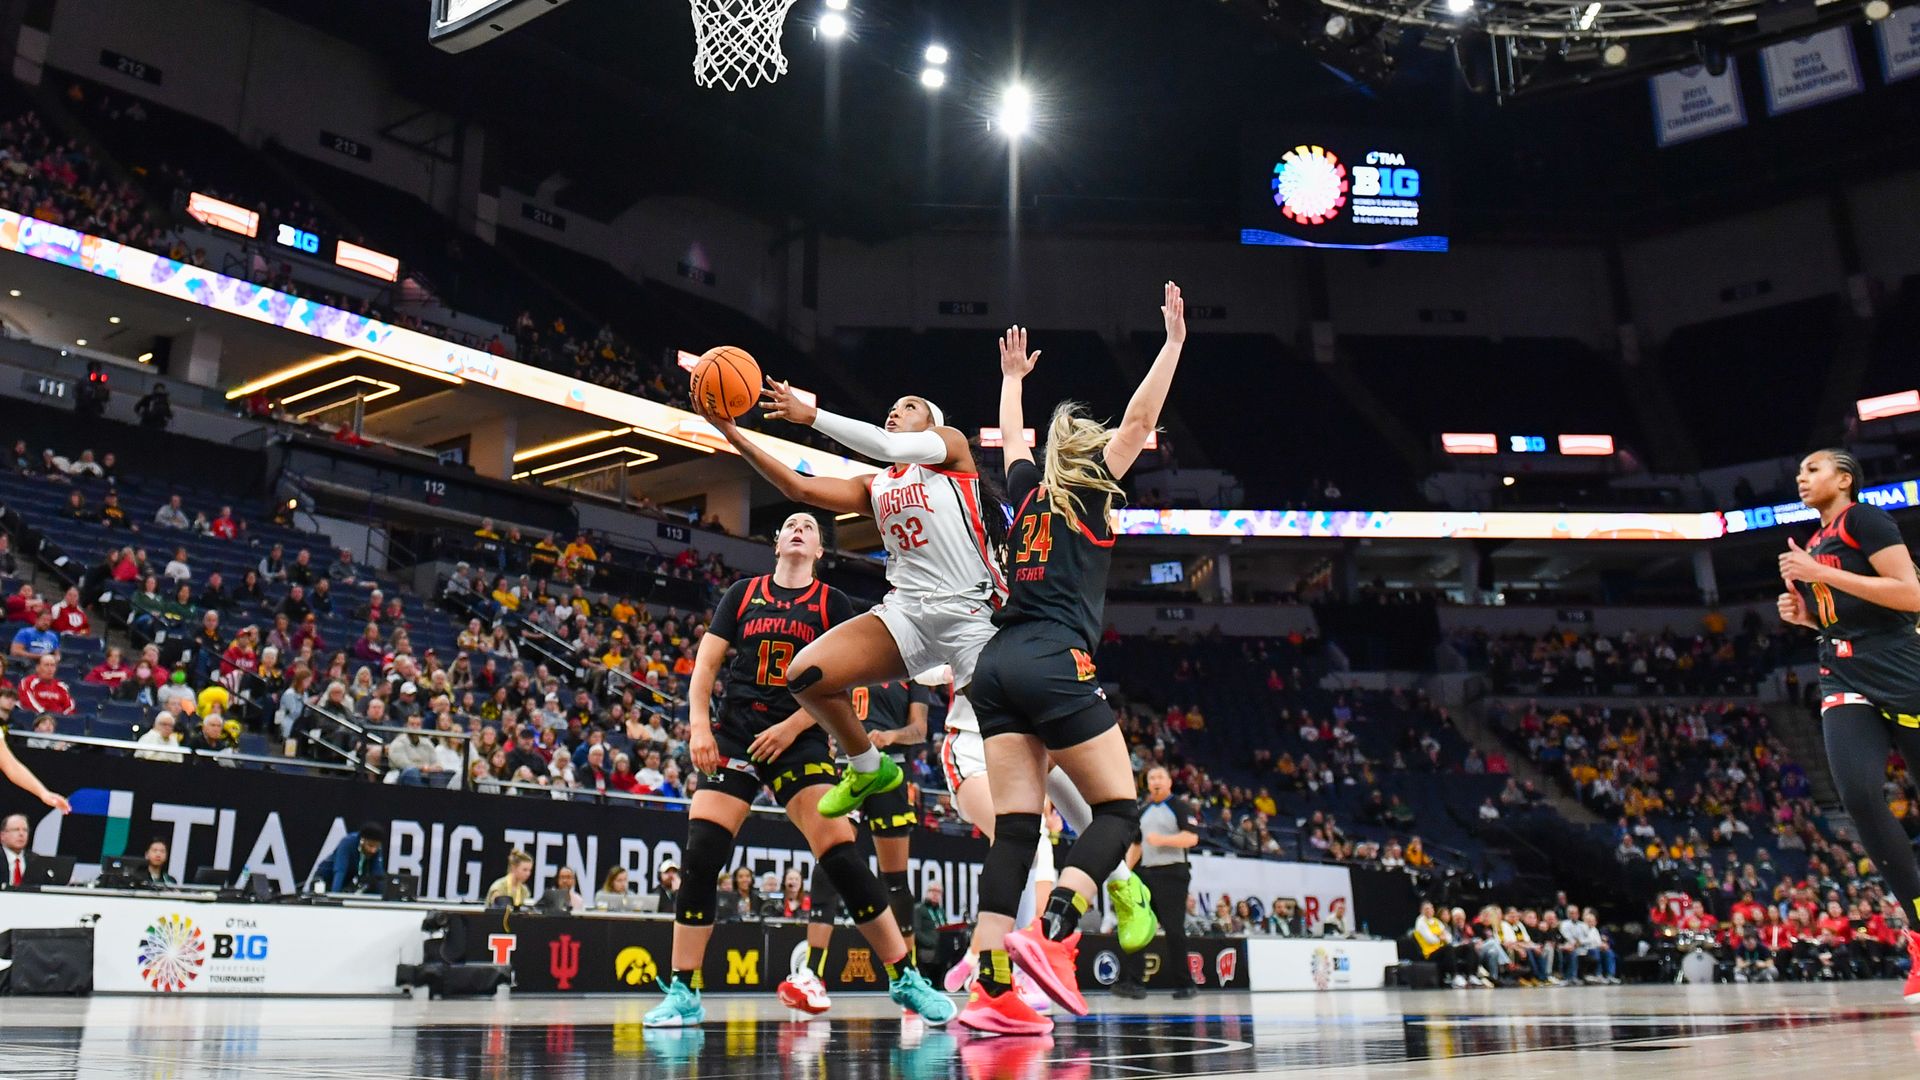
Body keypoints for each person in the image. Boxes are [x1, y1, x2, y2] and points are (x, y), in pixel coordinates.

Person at [955, 289, 1188, 1035]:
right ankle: (1054, 935)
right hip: (1054, 659)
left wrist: (1014, 379)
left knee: (1018, 831)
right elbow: (1143, 421)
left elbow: (1011, 444)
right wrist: (1174, 344)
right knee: (1119, 811)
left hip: (996, 666)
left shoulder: (1025, 496)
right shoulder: (1089, 494)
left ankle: (990, 992)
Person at [642, 512, 952, 1028]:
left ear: (820, 550)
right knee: (701, 855)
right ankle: (685, 989)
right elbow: (705, 669)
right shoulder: (742, 593)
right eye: (789, 523)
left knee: (842, 859)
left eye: (809, 526)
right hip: (737, 734)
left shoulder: (833, 603)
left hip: (800, 739)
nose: (799, 529)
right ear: (777, 541)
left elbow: (847, 683)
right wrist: (700, 727)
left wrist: (790, 727)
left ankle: (904, 976)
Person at [1776, 447, 1920, 1001]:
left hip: (1902, 668)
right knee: (1859, 794)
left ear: (1844, 478)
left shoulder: (1864, 520)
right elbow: (1845, 611)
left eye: (1812, 468)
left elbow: (1909, 594)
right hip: (1844, 673)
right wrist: (1806, 615)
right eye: (1800, 469)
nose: (1801, 476)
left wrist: (1814, 576)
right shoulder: (1812, 542)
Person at [791, 674, 938, 1012]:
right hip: (847, 771)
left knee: (895, 882)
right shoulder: (848, 659)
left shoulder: (912, 673)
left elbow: (919, 729)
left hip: (890, 770)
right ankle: (812, 973)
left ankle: (908, 973)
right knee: (829, 865)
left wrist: (890, 735)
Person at [318, 822, 386, 894]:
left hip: (347, 881)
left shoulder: (377, 849)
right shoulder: (347, 842)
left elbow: (378, 875)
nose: (373, 850)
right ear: (362, 840)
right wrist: (335, 896)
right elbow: (340, 871)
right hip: (326, 879)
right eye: (370, 846)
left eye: (377, 846)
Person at [915, 880, 949, 976]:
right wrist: (930, 943)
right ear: (927, 892)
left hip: (941, 952)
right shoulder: (919, 909)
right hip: (926, 951)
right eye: (932, 891)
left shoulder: (941, 911)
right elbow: (916, 931)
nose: (935, 894)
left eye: (938, 892)